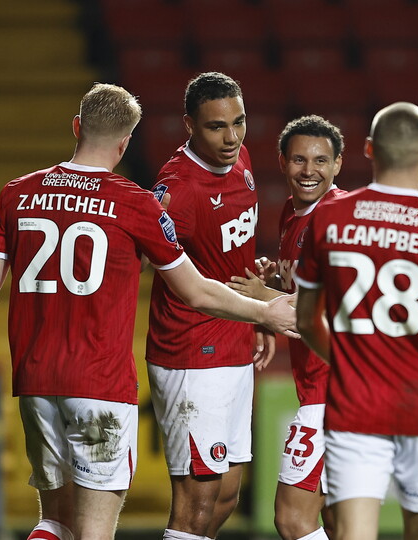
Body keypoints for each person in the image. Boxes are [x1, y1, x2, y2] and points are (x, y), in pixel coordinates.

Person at [0, 83, 297, 540]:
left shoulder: (16, 194)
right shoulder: (136, 203)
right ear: (125, 142)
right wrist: (265, 312)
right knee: (95, 531)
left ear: (77, 127)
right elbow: (195, 292)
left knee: (55, 523)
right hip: (100, 386)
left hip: (36, 382)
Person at [294, 102, 418, 540]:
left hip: (354, 408)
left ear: (367, 149)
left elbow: (306, 320)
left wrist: (348, 361)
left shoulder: (328, 220)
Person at [145, 71, 272, 540]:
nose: (232, 137)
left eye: (239, 122)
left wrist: (256, 317)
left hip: (235, 339)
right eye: (217, 127)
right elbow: (150, 261)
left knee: (225, 498)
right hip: (192, 353)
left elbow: (233, 253)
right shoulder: (177, 190)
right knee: (196, 505)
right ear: (189, 125)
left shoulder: (240, 158)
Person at [226, 115, 347, 540]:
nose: (309, 170)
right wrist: (276, 281)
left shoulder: (336, 220)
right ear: (282, 161)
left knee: (293, 520)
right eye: (299, 159)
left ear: (338, 164)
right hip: (327, 387)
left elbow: (336, 309)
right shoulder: (293, 213)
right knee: (338, 521)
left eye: (320, 160)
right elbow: (305, 287)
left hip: (333, 392)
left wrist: (261, 297)